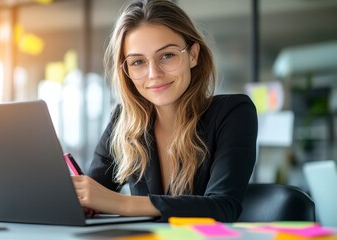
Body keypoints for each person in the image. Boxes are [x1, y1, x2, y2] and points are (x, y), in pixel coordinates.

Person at [72, 0, 258, 222]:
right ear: (127, 71)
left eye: (167, 55)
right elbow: (92, 197)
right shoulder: (123, 121)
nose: (154, 73)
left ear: (193, 55)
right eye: (138, 62)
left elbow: (223, 207)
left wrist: (119, 202)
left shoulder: (233, 112)